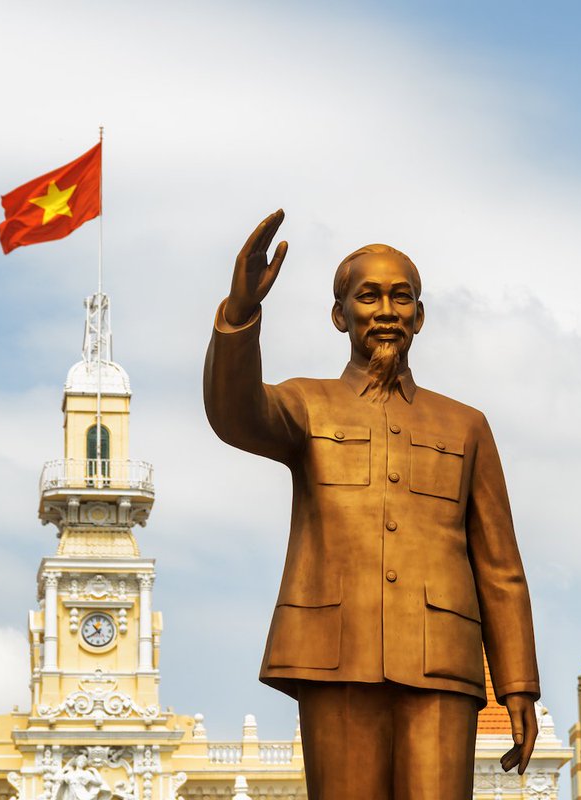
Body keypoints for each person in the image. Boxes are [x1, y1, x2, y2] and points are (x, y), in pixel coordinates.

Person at [204, 210, 541, 800]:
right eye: (368, 297)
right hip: (334, 652)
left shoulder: (466, 426)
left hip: (442, 661)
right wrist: (240, 312)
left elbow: (500, 567)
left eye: (400, 297)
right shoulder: (306, 405)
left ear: (419, 316)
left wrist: (517, 686)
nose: (386, 311)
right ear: (340, 315)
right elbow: (235, 415)